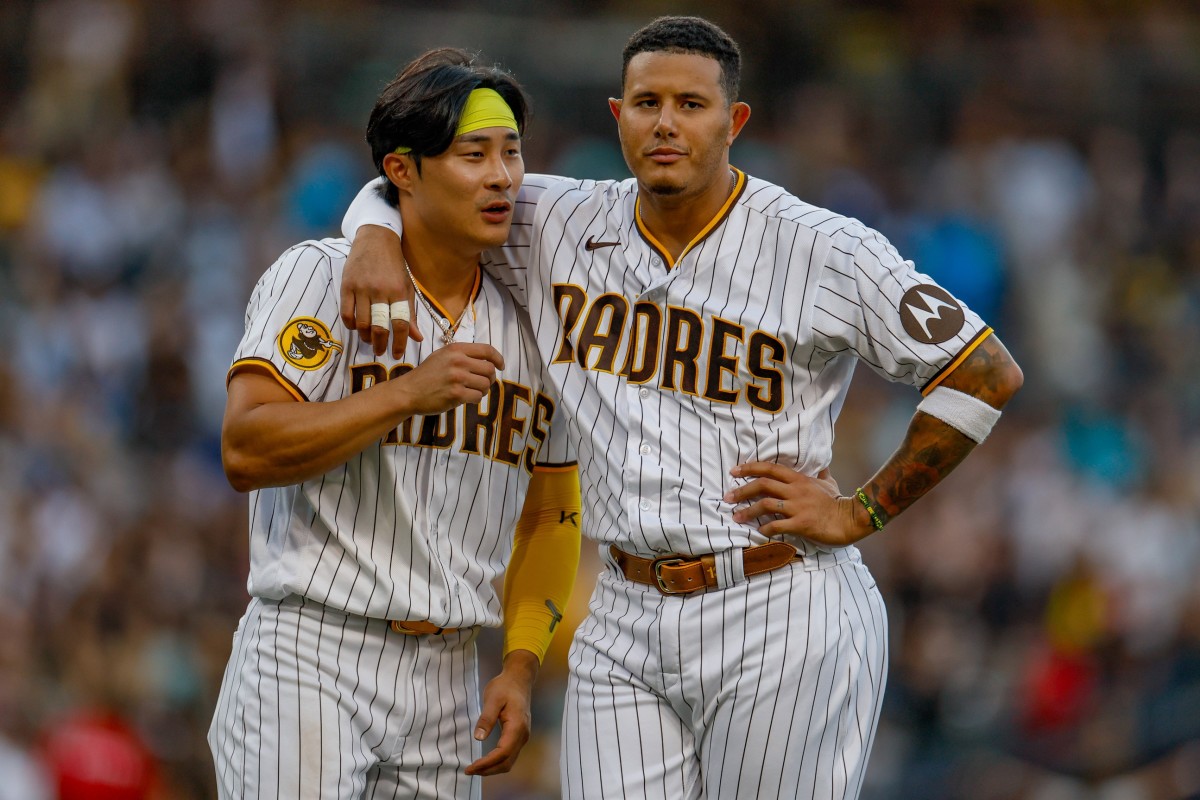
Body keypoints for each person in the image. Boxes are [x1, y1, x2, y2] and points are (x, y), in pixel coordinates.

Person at [339, 16, 1024, 799]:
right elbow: (420, 180)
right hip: (623, 615)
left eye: (691, 104)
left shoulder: (822, 248)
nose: (666, 122)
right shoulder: (556, 219)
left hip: (776, 604)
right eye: (647, 102)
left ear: (733, 123)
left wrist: (859, 513)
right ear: (617, 116)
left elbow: (985, 370)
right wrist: (371, 232)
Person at [208, 48, 581, 799]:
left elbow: (551, 509)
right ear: (402, 172)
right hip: (313, 648)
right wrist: (403, 394)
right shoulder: (319, 273)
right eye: (473, 154)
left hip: (449, 677)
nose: (502, 175)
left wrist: (518, 662)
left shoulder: (539, 328)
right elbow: (245, 448)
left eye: (511, 153)